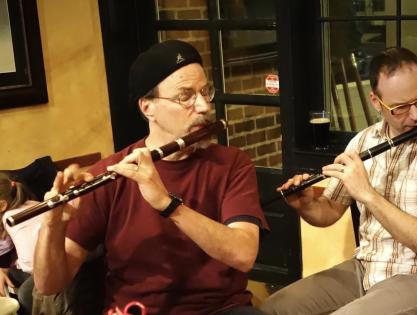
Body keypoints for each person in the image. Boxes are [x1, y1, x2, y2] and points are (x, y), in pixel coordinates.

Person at [33, 39, 269, 315]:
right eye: (185, 96)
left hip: (220, 310)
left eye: (206, 92)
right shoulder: (109, 174)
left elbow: (243, 255)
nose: (204, 106)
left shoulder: (232, 164)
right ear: (148, 108)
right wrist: (52, 227)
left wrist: (169, 205)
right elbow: (48, 285)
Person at [261, 47, 417, 315]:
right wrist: (305, 205)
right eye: (400, 107)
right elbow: (328, 212)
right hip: (367, 268)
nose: (416, 114)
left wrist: (368, 194)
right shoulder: (364, 141)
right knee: (274, 309)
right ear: (377, 102)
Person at [0, 172, 39, 315]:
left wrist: (5, 268)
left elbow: (31, 265)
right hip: (41, 264)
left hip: (46, 268)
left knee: (25, 295)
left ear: (2, 205)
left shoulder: (11, 220)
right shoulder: (31, 203)